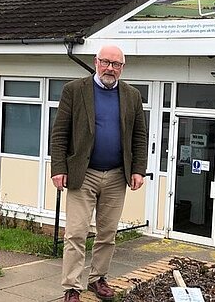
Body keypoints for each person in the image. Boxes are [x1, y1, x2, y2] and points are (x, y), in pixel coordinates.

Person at [50, 44, 148, 302]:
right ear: (96, 62)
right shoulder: (74, 90)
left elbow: (140, 135)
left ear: (122, 68)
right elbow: (60, 132)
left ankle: (97, 279)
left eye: (116, 64)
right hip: (82, 174)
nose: (110, 68)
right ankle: (72, 287)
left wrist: (139, 169)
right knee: (76, 233)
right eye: (106, 62)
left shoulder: (132, 95)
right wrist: (58, 168)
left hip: (117, 175)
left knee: (108, 233)